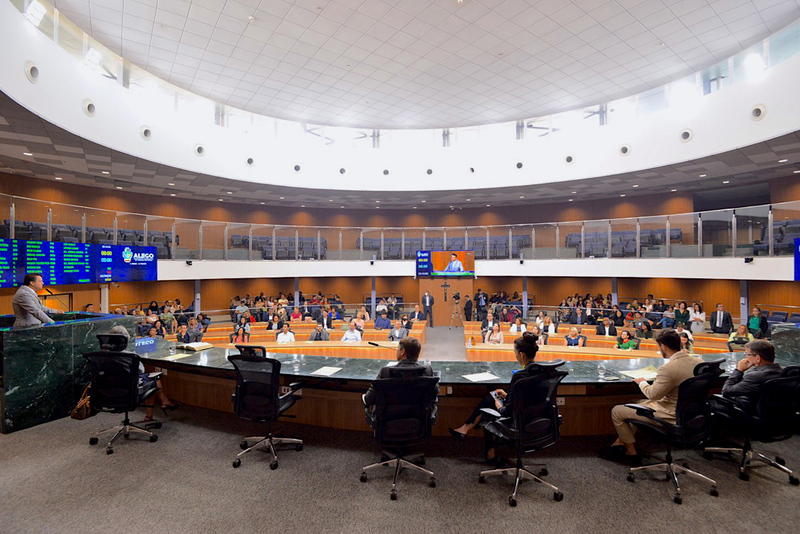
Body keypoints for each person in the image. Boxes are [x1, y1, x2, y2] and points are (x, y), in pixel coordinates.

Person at [601, 329, 704, 464]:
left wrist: (641, 382)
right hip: (691, 413)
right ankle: (619, 442)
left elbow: (653, 395)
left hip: (669, 414)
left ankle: (631, 452)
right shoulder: (699, 362)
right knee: (635, 402)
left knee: (617, 411)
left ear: (663, 346)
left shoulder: (668, 368)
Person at [448, 332, 542, 464]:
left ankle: (487, 452)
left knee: (489, 406)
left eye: (515, 353)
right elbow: (527, 398)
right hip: (537, 417)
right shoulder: (542, 371)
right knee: (491, 399)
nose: (515, 355)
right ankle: (466, 430)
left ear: (521, 355)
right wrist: (506, 395)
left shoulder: (520, 377)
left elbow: (508, 410)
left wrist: (499, 405)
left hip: (518, 421)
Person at [106, 326, 179, 422]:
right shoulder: (130, 356)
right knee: (154, 380)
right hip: (129, 388)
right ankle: (151, 413)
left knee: (151, 379)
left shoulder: (102, 355)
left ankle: (162, 404)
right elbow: (141, 370)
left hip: (108, 389)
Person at [363, 337, 436, 406]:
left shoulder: (386, 372)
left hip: (390, 415)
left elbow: (368, 399)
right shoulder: (427, 372)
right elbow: (434, 395)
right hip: (419, 414)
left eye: (398, 349)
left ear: (402, 352)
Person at [714, 340, 782, 414]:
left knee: (713, 402)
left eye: (747, 354)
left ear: (758, 358)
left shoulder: (755, 376)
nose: (746, 357)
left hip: (750, 413)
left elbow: (726, 391)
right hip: (776, 414)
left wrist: (739, 370)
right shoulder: (783, 372)